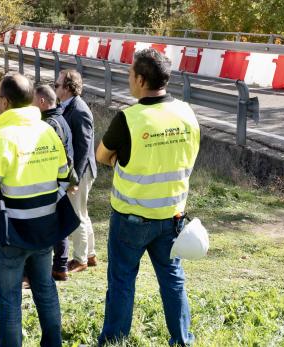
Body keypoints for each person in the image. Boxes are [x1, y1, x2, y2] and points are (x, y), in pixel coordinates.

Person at [96, 48, 200, 346]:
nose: (128, 78)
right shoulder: (186, 113)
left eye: (130, 73)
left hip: (131, 218)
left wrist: (120, 160)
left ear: (141, 80)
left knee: (121, 282)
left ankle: (114, 341)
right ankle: (182, 340)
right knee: (172, 280)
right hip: (172, 217)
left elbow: (103, 156)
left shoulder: (128, 118)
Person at [0, 73, 79, 347]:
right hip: (44, 229)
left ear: (4, 102)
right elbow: (65, 177)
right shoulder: (47, 130)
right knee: (45, 289)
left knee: (9, 300)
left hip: (9, 234)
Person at [56, 69, 99, 273]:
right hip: (79, 170)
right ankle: (90, 254)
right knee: (82, 211)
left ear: (67, 88)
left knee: (76, 214)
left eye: (57, 85)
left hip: (81, 171)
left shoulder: (79, 110)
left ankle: (80, 259)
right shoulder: (68, 106)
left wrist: (75, 179)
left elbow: (83, 148)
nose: (55, 88)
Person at [32, 84, 76, 281]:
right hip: (62, 179)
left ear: (41, 101)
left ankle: (57, 266)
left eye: (33, 101)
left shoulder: (49, 124)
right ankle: (60, 266)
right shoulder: (60, 118)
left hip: (53, 181)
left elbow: (54, 155)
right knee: (58, 223)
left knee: (53, 224)